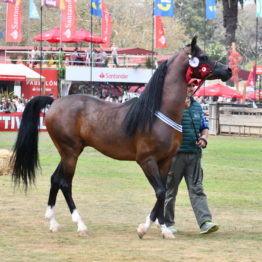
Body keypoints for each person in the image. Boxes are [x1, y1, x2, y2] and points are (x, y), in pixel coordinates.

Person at [164, 78, 219, 234]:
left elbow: (204, 127)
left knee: (197, 189)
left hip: (194, 155)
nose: (191, 88)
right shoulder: (171, 105)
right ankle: (167, 223)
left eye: (193, 85)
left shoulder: (197, 107)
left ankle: (205, 222)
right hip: (175, 155)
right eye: (188, 85)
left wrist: (203, 139)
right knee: (170, 190)